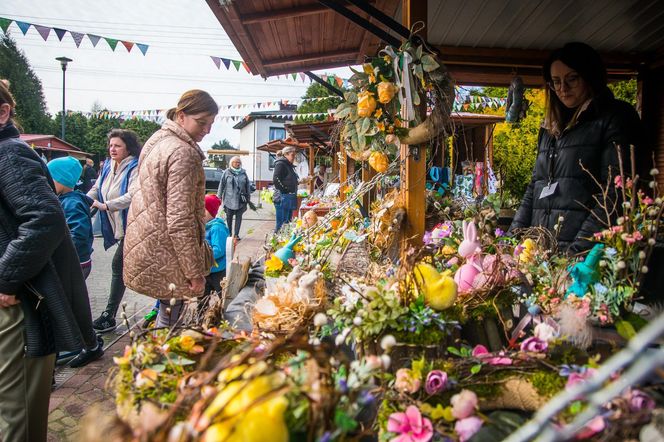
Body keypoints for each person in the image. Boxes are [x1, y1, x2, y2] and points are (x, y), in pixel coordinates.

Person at [0, 80, 100, 441]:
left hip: (16, 304)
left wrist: (5, 279)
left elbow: (44, 220)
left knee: (15, 419)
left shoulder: (9, 154)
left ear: (3, 112)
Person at [509, 42, 642, 254]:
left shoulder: (614, 118)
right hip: (541, 253)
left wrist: (576, 253)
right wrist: (511, 241)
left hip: (585, 259)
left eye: (572, 78)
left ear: (590, 76)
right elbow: (535, 187)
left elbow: (615, 196)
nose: (563, 88)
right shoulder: (549, 128)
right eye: (556, 81)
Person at [123, 89, 217, 328]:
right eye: (202, 123)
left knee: (166, 312)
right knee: (170, 321)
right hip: (169, 250)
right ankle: (161, 362)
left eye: (211, 124)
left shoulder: (158, 141)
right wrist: (193, 272)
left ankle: (156, 358)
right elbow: (180, 218)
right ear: (181, 116)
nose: (207, 130)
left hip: (150, 243)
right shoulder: (183, 153)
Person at [87, 129, 141, 332]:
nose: (112, 149)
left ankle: (109, 315)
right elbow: (98, 188)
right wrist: (85, 200)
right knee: (124, 268)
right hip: (118, 226)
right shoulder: (109, 165)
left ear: (128, 147)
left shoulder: (136, 166)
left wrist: (106, 205)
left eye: (117, 145)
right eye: (110, 145)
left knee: (118, 266)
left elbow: (134, 194)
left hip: (133, 226)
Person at [47, 156, 94, 280]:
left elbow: (78, 234)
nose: (47, 183)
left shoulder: (72, 203)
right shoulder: (67, 199)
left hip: (75, 262)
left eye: (50, 179)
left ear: (62, 180)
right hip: (75, 261)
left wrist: (60, 254)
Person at [217, 155, 251, 239]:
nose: (238, 164)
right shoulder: (226, 172)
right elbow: (221, 185)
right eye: (236, 162)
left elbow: (247, 186)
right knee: (229, 217)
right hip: (229, 199)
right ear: (231, 163)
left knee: (239, 218)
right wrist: (219, 197)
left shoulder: (243, 172)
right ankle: (229, 233)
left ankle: (236, 234)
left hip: (240, 199)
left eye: (239, 162)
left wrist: (248, 198)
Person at [203, 194, 229, 302]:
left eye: (202, 210)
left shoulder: (217, 228)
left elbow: (218, 250)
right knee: (202, 299)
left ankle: (224, 315)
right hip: (206, 270)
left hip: (217, 271)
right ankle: (201, 316)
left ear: (211, 212)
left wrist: (202, 256)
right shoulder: (205, 226)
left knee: (223, 297)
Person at [273, 145, 299, 232]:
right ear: (286, 154)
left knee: (287, 223)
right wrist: (285, 190)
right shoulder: (281, 164)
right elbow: (276, 179)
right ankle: (276, 243)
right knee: (281, 224)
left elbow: (289, 180)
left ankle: (283, 242)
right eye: (292, 155)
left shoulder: (288, 165)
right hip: (282, 197)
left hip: (288, 197)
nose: (294, 157)